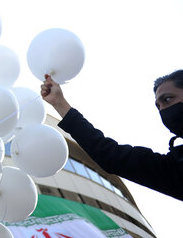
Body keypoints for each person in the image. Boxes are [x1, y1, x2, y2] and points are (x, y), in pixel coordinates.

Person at [41, 70, 183, 201]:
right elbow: (110, 155)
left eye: (168, 99)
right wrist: (59, 103)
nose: (163, 109)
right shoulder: (175, 168)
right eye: (158, 106)